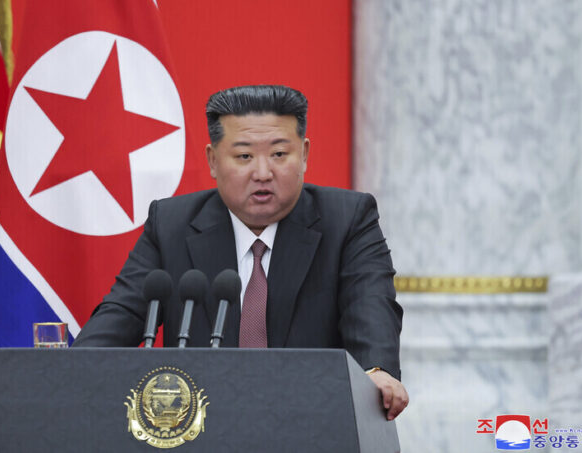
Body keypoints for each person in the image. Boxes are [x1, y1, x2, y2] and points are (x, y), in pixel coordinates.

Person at [73, 85, 409, 420]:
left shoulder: (347, 220)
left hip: (312, 420)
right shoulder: (171, 225)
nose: (263, 173)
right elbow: (122, 314)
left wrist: (375, 370)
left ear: (304, 154)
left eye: (279, 154)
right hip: (200, 427)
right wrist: (69, 369)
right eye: (244, 156)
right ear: (213, 160)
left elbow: (371, 303)